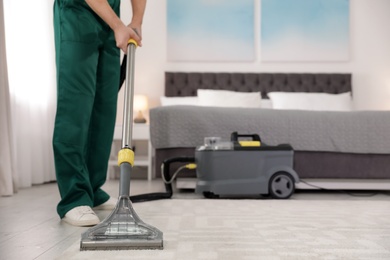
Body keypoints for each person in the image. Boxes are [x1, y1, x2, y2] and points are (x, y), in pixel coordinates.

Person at [52, 0, 146, 227]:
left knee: (104, 108)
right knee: (76, 107)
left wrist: (135, 22)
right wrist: (118, 25)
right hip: (77, 13)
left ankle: (92, 190)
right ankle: (74, 198)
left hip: (109, 15)